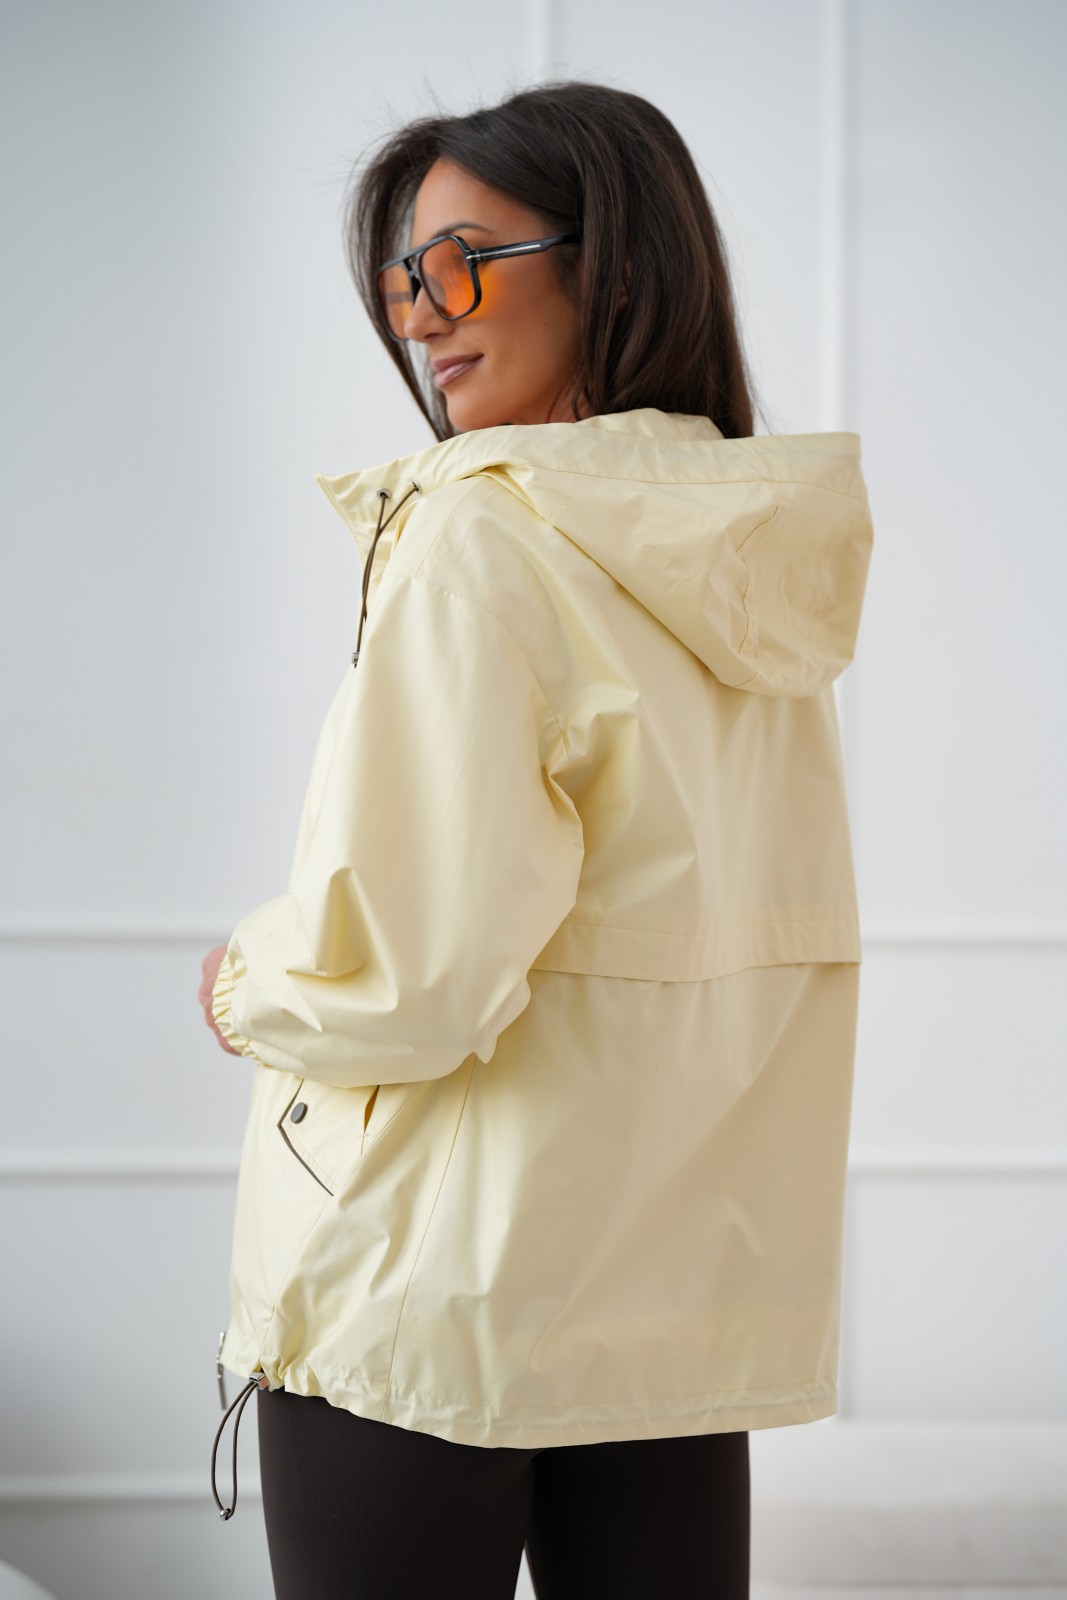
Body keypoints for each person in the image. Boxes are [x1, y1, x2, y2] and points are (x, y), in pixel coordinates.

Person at [198, 78, 873, 1599]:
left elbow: (411, 974)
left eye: (461, 264)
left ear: (612, 268)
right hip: (659, 1296)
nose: (420, 316)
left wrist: (246, 985)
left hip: (427, 1300)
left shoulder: (480, 533)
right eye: (402, 279)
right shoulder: (751, 556)